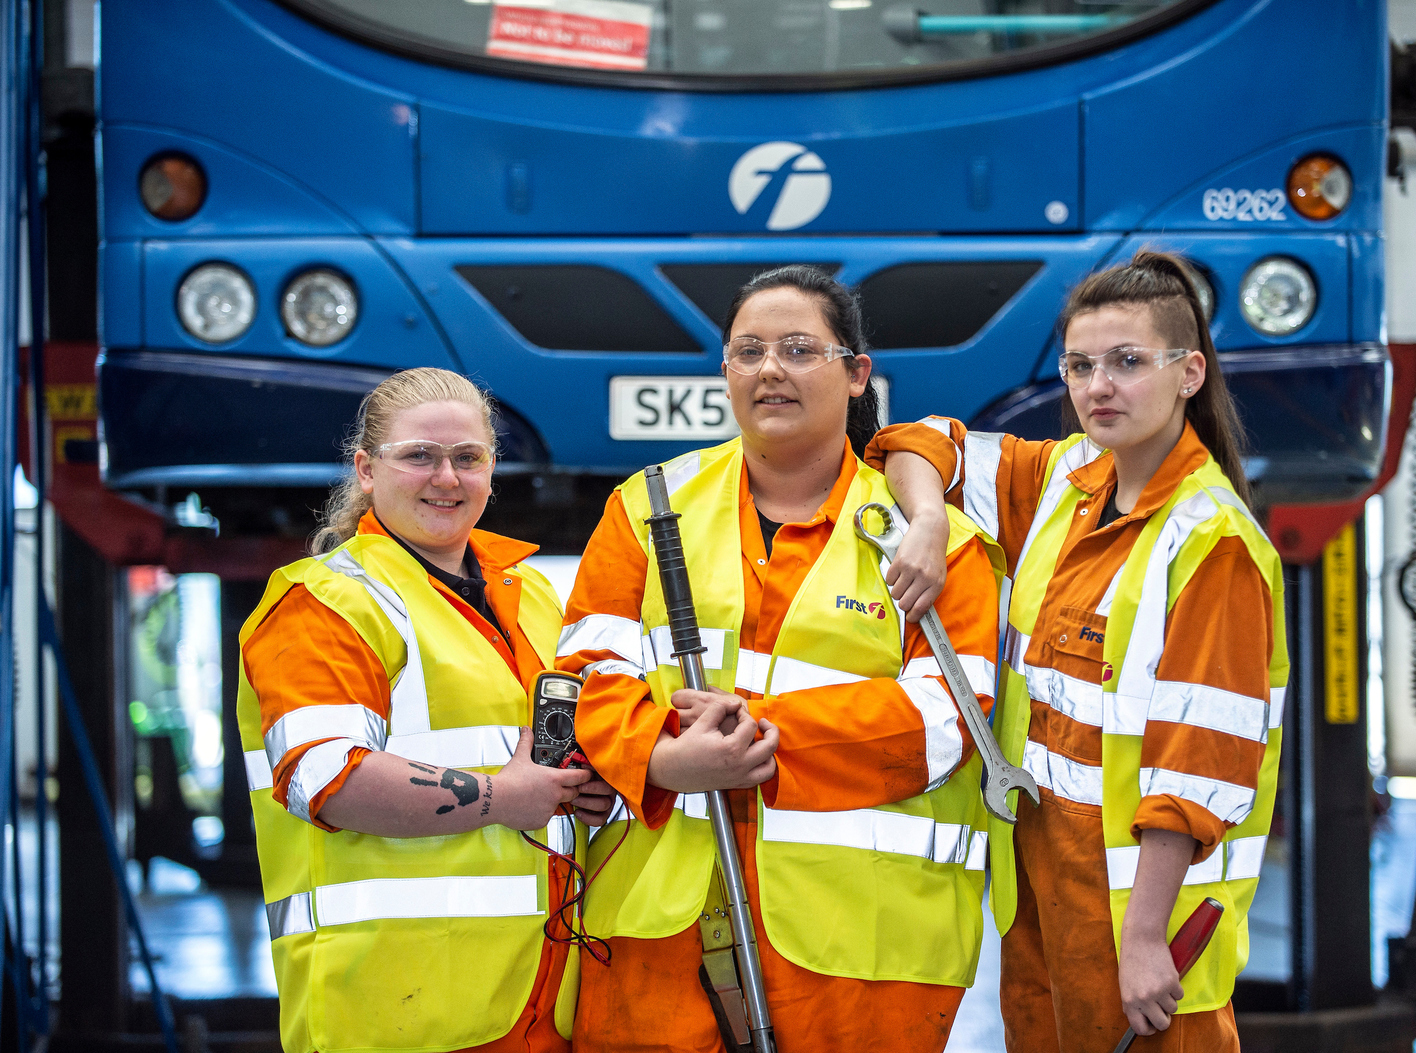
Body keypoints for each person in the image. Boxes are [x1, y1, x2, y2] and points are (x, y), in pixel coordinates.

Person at [558, 266, 1005, 1053]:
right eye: (748, 351)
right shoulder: (646, 507)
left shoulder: (939, 547)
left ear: (857, 373)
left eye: (800, 349)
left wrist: (749, 740)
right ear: (724, 370)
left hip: (861, 957)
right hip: (656, 937)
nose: (770, 369)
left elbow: (945, 722)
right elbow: (586, 673)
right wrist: (663, 758)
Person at [868, 250, 1286, 1052]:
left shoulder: (1211, 543)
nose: (1099, 386)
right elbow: (917, 443)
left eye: (1128, 362)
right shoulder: (1066, 480)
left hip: (1138, 919)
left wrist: (1144, 940)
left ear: (1189, 372)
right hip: (1041, 898)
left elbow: (1197, 764)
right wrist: (926, 521)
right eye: (1081, 365)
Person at [235, 367, 616, 1053]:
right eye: (419, 456)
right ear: (367, 469)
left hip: (539, 1004)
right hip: (391, 1014)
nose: (447, 476)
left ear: (492, 470)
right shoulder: (320, 603)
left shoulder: (531, 595)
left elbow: (546, 751)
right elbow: (325, 779)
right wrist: (508, 796)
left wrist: (581, 790)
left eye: (468, 457)